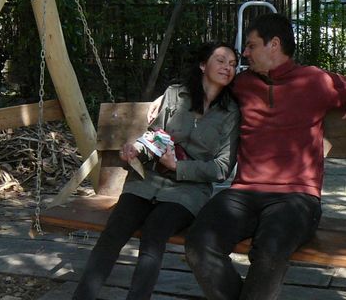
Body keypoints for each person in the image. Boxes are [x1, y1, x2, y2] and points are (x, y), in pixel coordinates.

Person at [185, 13, 346, 300]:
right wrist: (162, 100)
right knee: (199, 243)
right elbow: (200, 88)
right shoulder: (242, 84)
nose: (245, 53)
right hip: (244, 192)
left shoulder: (314, 80)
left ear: (274, 44)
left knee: (269, 252)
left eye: (251, 45)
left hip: (297, 198)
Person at [73, 41, 240, 300]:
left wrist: (179, 167)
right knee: (115, 230)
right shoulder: (175, 95)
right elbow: (156, 136)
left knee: (154, 232)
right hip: (148, 180)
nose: (227, 67)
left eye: (232, 64)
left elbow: (221, 168)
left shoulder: (230, 112)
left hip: (187, 192)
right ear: (202, 64)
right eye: (220, 61)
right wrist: (136, 149)